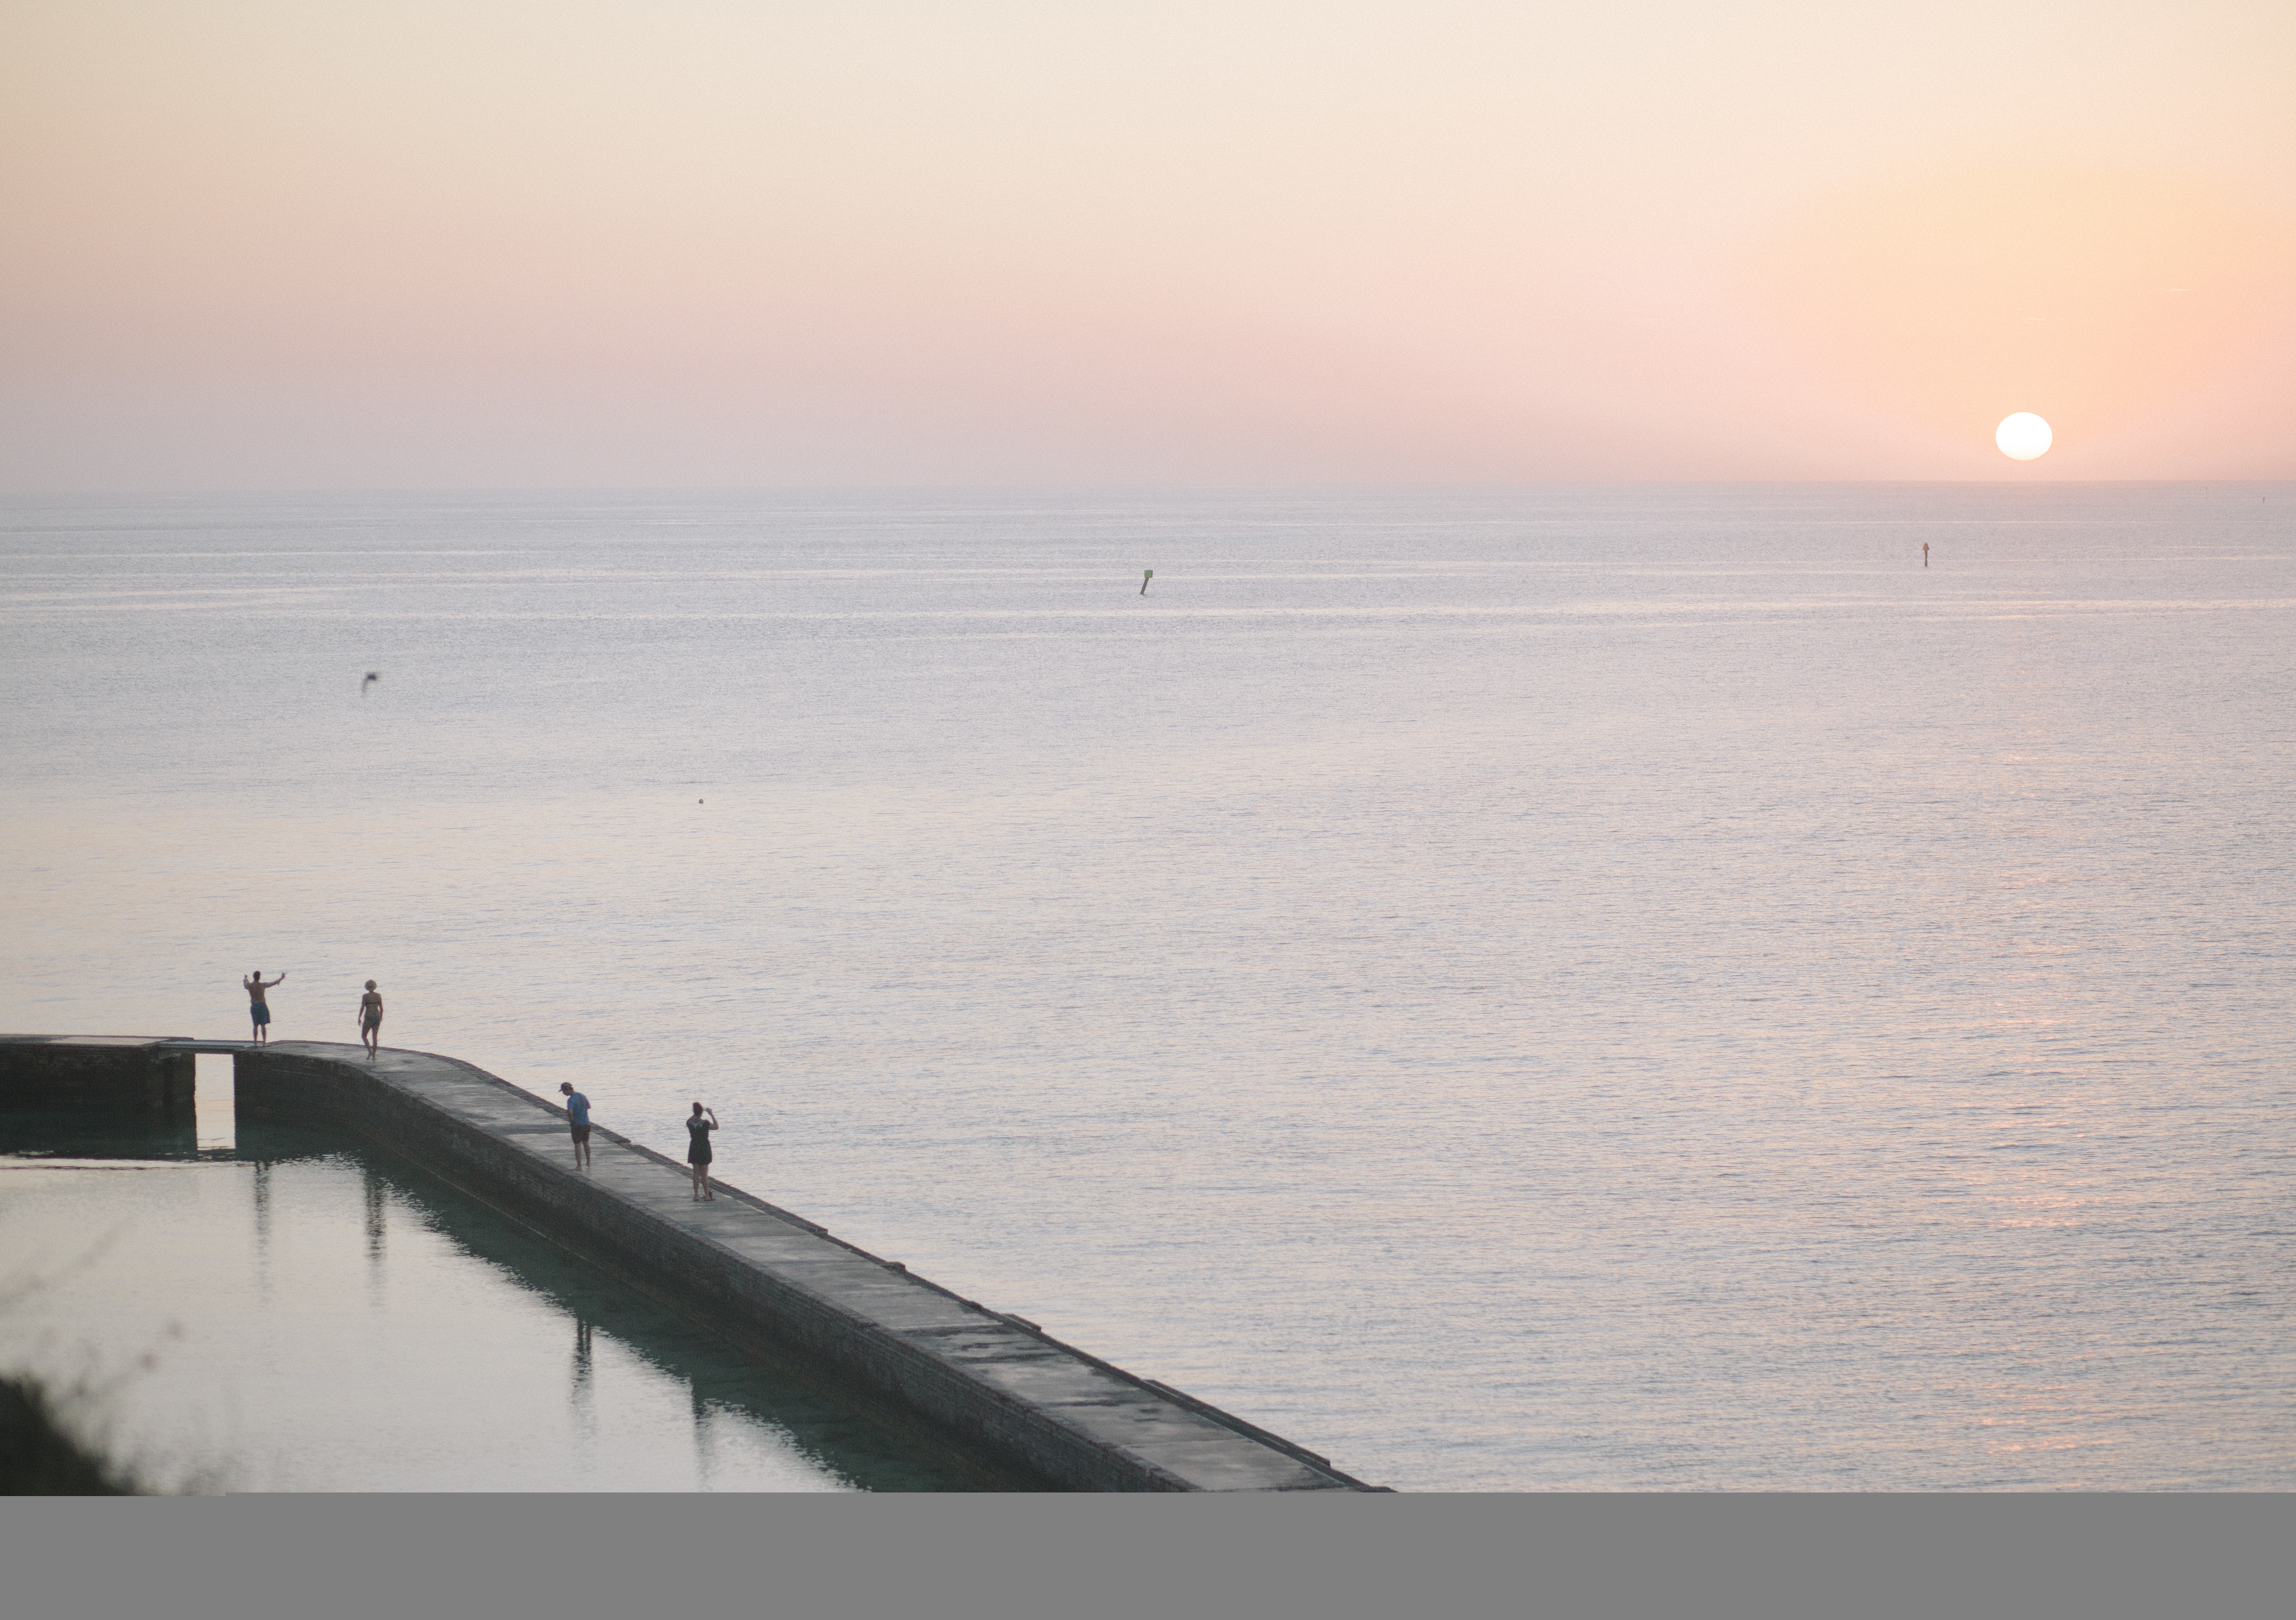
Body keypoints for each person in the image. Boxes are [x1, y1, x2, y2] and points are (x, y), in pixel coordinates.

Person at [685, 1102, 718, 1201]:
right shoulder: (705, 1123)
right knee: (704, 1174)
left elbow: (690, 1119)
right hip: (704, 1148)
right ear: (701, 1113)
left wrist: (698, 1112)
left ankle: (696, 1196)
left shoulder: (690, 1123)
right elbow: (716, 1126)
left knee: (696, 1173)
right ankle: (707, 1196)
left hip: (694, 1147)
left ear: (694, 1112)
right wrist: (711, 1114)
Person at [243, 969, 285, 1043]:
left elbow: (246, 984)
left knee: (255, 1025)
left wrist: (246, 978)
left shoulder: (250, 986)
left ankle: (255, 1043)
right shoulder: (263, 985)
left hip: (254, 1006)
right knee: (263, 1025)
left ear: (254, 977)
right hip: (262, 1006)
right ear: (259, 977)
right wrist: (281, 978)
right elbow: (273, 983)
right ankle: (264, 1043)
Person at [559, 1082, 593, 1169]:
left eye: (563, 1091)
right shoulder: (582, 1096)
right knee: (586, 1143)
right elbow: (589, 1106)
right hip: (586, 1123)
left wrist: (571, 1119)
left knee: (577, 1145)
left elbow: (570, 1111)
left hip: (577, 1125)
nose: (564, 1094)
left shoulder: (571, 1100)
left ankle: (579, 1166)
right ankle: (589, 1162)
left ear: (567, 1090)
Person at [357, 981, 384, 1057]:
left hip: (369, 1017)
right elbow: (382, 1008)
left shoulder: (365, 996)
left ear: (367, 988)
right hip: (377, 1016)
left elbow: (363, 1008)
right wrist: (381, 1017)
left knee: (364, 1036)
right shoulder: (378, 996)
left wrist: (359, 1017)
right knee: (375, 1037)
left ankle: (370, 1051)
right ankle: (374, 1056)